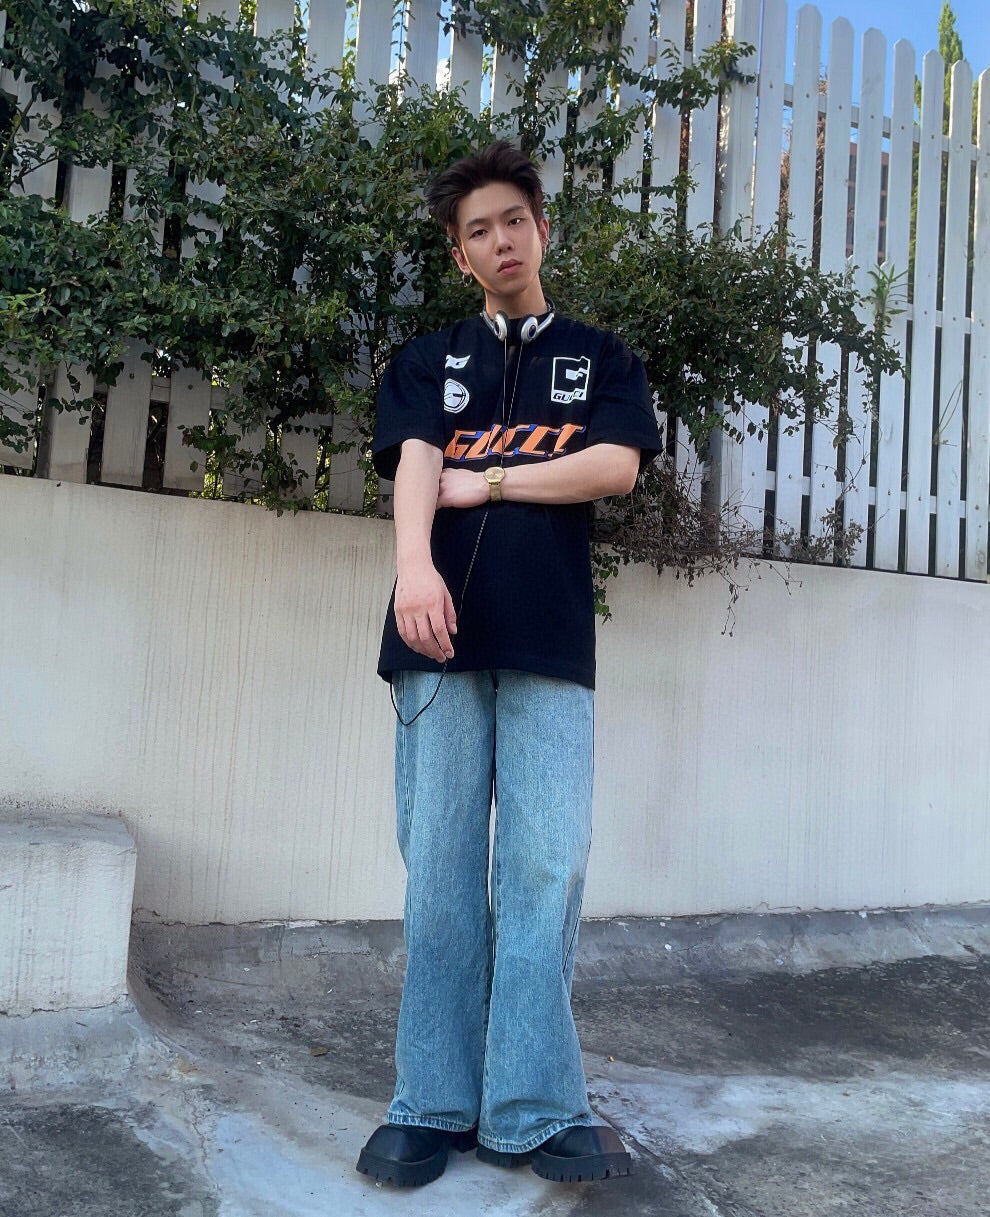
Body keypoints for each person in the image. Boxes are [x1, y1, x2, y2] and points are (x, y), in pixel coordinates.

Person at [356, 141, 662, 1189]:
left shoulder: (601, 358)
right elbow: (417, 459)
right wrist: (413, 569)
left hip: (548, 645)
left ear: (542, 229)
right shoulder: (428, 358)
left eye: (514, 221)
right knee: (440, 867)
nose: (501, 241)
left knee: (547, 864)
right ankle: (430, 1102)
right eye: (478, 230)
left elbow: (613, 466)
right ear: (460, 254)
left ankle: (531, 1106)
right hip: (435, 640)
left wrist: (489, 483)